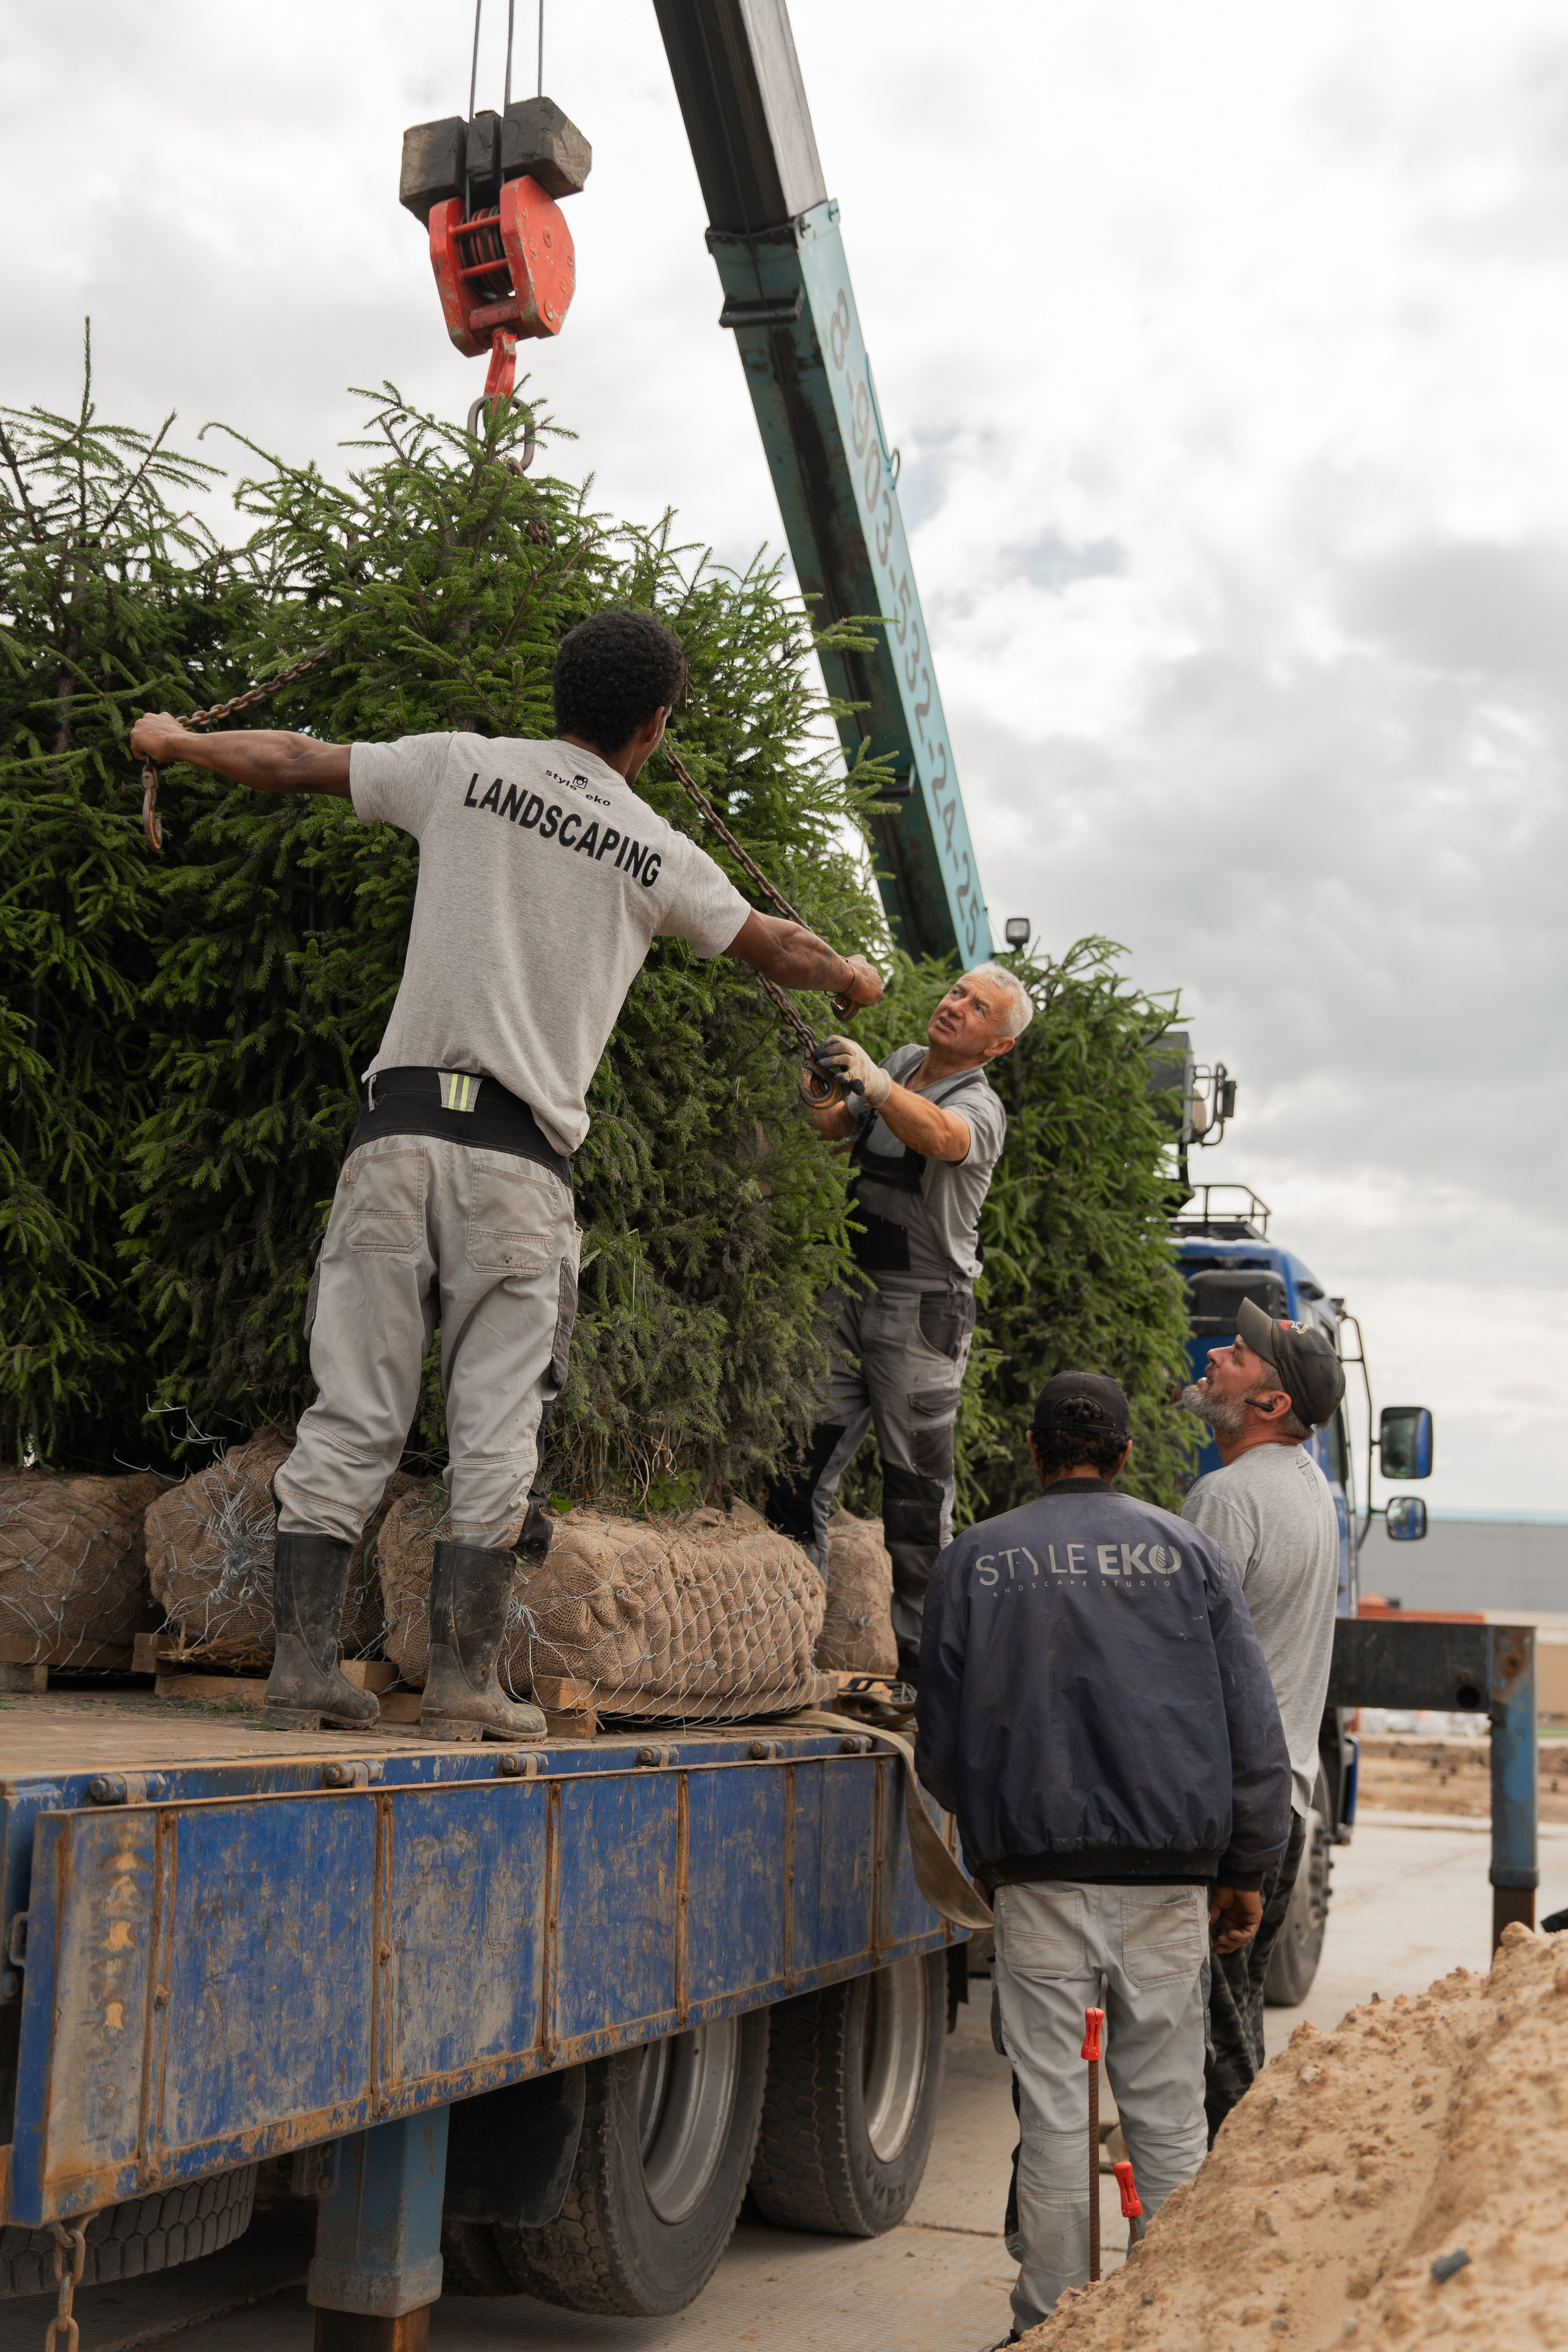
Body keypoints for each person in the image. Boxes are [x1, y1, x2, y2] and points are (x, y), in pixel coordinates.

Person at [129, 609, 881, 1744]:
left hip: (396, 1137)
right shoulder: (658, 850)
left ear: (559, 692)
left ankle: (300, 1671)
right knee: (493, 1430)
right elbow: (784, 949)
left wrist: (177, 741)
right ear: (655, 724)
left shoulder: (460, 765)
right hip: (520, 1169)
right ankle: (466, 1687)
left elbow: (292, 759)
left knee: (352, 1411)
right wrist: (854, 980)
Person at [916, 1371, 1291, 2337]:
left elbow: (944, 1748)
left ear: (1035, 1451)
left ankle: (1050, 2324)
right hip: (1171, 1886)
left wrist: (998, 1829)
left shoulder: (975, 1561)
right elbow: (1254, 1729)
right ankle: (1164, 2321)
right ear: (1126, 1456)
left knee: (1057, 2118)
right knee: (1167, 2119)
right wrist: (1247, 1867)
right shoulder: (1192, 1553)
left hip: (1038, 1882)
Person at [764, 964, 1029, 1685]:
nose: (956, 1008)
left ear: (995, 1046)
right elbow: (830, 1128)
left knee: (914, 1500)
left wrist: (879, 1087)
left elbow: (941, 1137)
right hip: (846, 1293)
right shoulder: (908, 1063)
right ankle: (790, 1650)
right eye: (956, 994)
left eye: (978, 1009)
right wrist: (817, 1080)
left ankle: (924, 1672)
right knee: (797, 1470)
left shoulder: (977, 1105)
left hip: (923, 1313)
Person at [1180, 1297, 1346, 2138]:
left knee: (1205, 2053)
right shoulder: (1311, 1490)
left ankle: (1222, 2226)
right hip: (1278, 1801)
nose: (1215, 1355)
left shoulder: (1227, 1498)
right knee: (1235, 2027)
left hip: (1222, 1806)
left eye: (1238, 1356)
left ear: (1273, 1405)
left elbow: (1174, 1666)